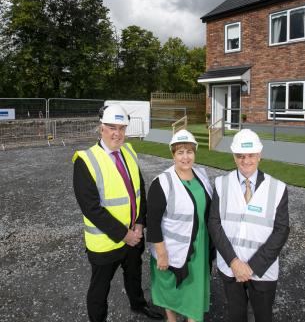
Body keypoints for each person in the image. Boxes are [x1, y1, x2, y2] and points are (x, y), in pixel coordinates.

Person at [72, 104, 163, 322]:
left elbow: (139, 189)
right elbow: (91, 209)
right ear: (101, 128)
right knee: (99, 289)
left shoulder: (129, 151)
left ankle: (138, 305)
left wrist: (140, 223)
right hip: (106, 242)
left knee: (134, 274)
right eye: (112, 127)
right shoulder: (86, 161)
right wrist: (125, 234)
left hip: (134, 234)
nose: (117, 133)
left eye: (122, 128)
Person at [208, 129, 289, 322]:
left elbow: (281, 230)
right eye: (240, 156)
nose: (246, 161)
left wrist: (251, 267)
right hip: (231, 268)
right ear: (234, 156)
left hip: (262, 270)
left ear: (259, 155)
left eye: (251, 155)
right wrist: (235, 263)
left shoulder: (277, 188)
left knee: (263, 317)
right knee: (236, 316)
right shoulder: (221, 183)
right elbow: (214, 223)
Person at [146, 129, 213, 322]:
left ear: (195, 153)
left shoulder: (201, 175)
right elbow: (153, 221)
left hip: (198, 247)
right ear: (173, 154)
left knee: (193, 290)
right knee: (171, 289)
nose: (186, 157)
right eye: (180, 152)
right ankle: (172, 319)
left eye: (189, 152)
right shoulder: (162, 182)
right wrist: (162, 253)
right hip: (172, 249)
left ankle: (192, 318)